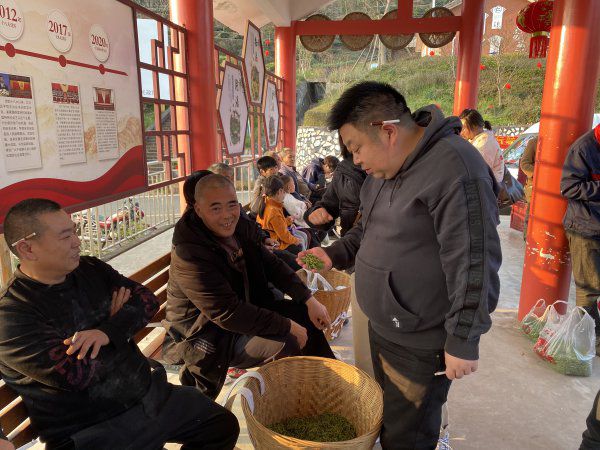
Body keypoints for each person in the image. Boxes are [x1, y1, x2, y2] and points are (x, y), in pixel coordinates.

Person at [298, 82, 501, 449]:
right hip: (385, 324)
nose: (355, 160)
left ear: (388, 131)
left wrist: (464, 337)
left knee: (409, 434)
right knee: (389, 418)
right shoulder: (383, 173)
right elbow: (367, 229)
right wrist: (335, 253)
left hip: (420, 338)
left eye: (356, 148)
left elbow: (474, 259)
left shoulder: (454, 168)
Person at [0, 199, 239, 450]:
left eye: (75, 231)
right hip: (93, 428)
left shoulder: (89, 269)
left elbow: (147, 301)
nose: (77, 241)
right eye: (65, 236)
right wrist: (118, 325)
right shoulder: (13, 314)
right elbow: (77, 375)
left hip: (148, 395)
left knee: (221, 426)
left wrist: (107, 332)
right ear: (27, 249)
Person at [163, 175, 335, 399]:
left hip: (245, 310)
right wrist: (287, 326)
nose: (227, 215)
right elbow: (226, 312)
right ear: (198, 209)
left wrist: (309, 299)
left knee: (305, 315)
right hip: (208, 333)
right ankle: (289, 404)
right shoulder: (189, 252)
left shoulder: (240, 228)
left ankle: (329, 386)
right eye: (215, 208)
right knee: (287, 341)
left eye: (232, 204)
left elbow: (272, 265)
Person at [560, 123, 600, 348]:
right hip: (585, 228)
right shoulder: (583, 148)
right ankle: (589, 342)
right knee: (589, 289)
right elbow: (568, 187)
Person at [304, 143, 366, 237]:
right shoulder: (344, 170)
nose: (357, 159)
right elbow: (328, 204)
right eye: (353, 149)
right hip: (351, 239)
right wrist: (316, 212)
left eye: (359, 148)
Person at [256, 175, 307, 254]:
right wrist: (296, 241)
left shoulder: (267, 202)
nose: (284, 195)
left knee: (304, 236)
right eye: (284, 192)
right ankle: (304, 258)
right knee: (301, 241)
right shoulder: (273, 211)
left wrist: (288, 220)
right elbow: (284, 236)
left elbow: (278, 225)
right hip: (277, 243)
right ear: (280, 191)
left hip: (275, 237)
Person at [459, 109, 505, 183]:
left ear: (475, 126)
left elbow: (479, 170)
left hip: (489, 184)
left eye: (464, 128)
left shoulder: (485, 143)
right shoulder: (480, 139)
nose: (461, 132)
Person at [520, 136, 538, 239]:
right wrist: (542, 172)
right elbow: (524, 164)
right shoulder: (534, 142)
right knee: (530, 218)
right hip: (534, 188)